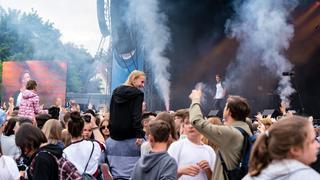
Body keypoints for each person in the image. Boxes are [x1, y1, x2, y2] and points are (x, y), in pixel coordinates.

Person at [189, 89, 251, 180]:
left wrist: (195, 99)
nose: (224, 109)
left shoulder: (230, 133)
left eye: (226, 106)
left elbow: (197, 121)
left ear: (229, 111)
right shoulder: (246, 130)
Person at [243, 116, 320, 179]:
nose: (318, 145)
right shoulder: (309, 177)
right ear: (294, 149)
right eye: (313, 141)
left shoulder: (251, 176)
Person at [106, 70, 146, 179]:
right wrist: (139, 134)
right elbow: (136, 115)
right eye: (142, 82)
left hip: (114, 134)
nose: (142, 86)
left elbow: (111, 110)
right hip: (130, 134)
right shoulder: (138, 94)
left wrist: (110, 128)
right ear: (134, 79)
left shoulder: (115, 91)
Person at [168, 110, 216, 180]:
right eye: (187, 123)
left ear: (202, 125)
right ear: (183, 126)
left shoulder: (209, 150)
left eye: (194, 122)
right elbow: (166, 175)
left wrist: (208, 170)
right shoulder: (176, 146)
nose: (191, 126)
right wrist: (181, 171)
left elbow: (215, 178)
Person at [63, 112, 105, 177]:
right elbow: (102, 143)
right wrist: (94, 125)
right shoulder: (94, 145)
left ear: (68, 130)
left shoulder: (65, 152)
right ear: (82, 129)